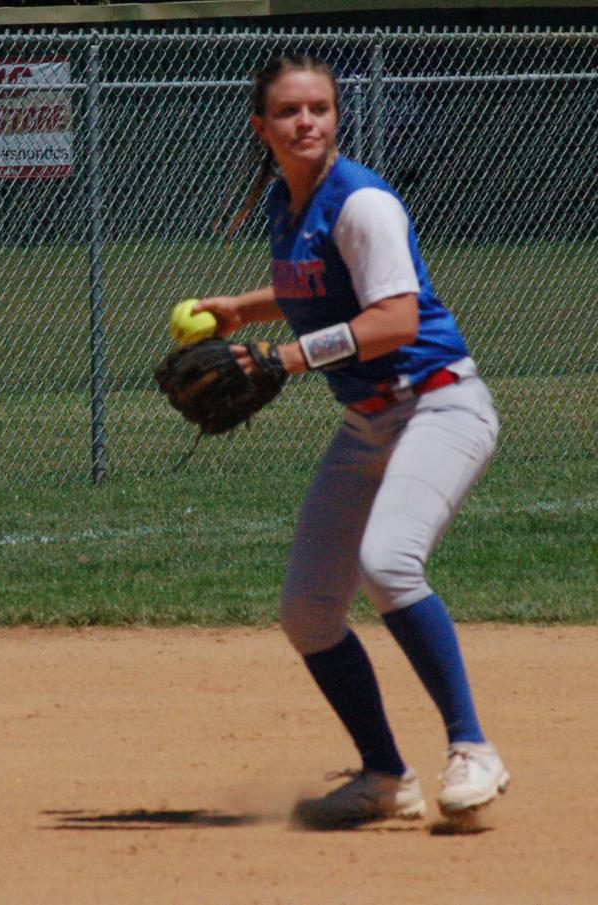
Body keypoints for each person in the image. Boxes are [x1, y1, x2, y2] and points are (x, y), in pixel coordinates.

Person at [192, 54, 508, 828]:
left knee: (388, 561)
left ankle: (473, 747)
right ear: (260, 126)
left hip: (440, 406)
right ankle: (383, 776)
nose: (309, 123)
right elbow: (317, 289)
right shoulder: (284, 201)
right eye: (291, 111)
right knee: (307, 610)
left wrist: (291, 356)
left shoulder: (361, 201)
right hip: (372, 423)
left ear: (337, 117)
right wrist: (245, 308)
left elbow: (395, 318)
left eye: (321, 109)